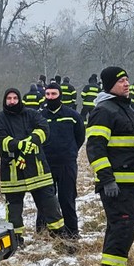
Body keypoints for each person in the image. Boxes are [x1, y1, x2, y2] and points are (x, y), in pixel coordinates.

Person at [85, 65, 134, 266]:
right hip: (116, 185)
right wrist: (106, 179)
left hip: (132, 183)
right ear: (109, 85)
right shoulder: (104, 111)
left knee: (123, 227)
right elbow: (95, 148)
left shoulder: (129, 110)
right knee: (122, 227)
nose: (127, 83)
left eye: (127, 79)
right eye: (121, 80)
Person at [0, 88, 67, 243]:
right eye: (9, 98)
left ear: (19, 99)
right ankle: (16, 239)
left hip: (36, 169)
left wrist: (31, 141)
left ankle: (60, 236)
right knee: (14, 208)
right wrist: (18, 145)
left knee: (49, 203)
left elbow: (44, 128)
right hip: (12, 170)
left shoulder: (31, 114)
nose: (12, 101)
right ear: (5, 100)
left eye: (15, 98)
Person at [40, 81, 85, 237]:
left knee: (67, 199)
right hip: (45, 165)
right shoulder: (39, 117)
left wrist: (70, 152)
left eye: (54, 94)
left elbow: (80, 136)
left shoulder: (72, 116)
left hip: (67, 164)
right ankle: (43, 231)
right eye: (48, 94)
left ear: (60, 96)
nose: (50, 97)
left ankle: (72, 231)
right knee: (46, 200)